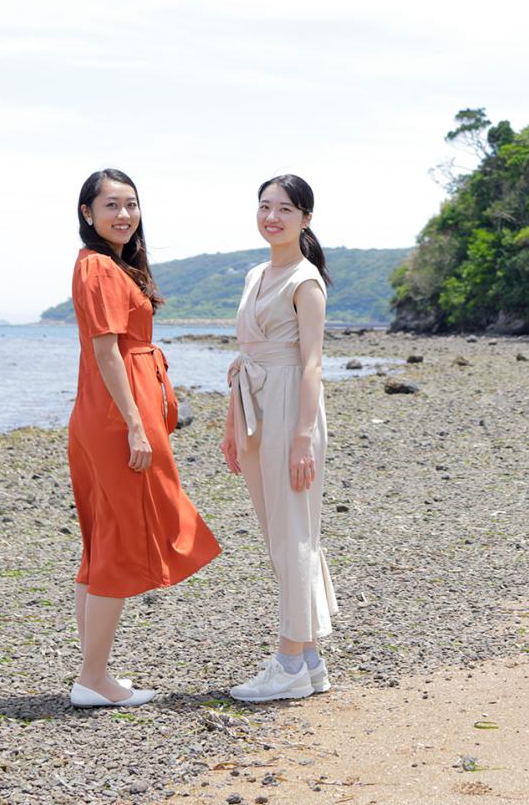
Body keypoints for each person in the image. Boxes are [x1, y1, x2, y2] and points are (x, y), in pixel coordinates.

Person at [65, 168, 220, 707]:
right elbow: (107, 351)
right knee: (118, 540)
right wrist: (135, 423)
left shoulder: (108, 265)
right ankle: (92, 679)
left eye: (130, 204)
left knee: (102, 540)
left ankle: (93, 672)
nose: (124, 214)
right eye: (111, 205)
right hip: (116, 414)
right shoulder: (99, 267)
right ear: (87, 213)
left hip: (106, 410)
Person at [222, 174, 339, 702]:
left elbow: (312, 364)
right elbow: (246, 355)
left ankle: (289, 662)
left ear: (305, 219)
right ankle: (308, 660)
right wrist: (232, 425)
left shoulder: (305, 281)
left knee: (294, 534)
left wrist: (302, 438)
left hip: (291, 406)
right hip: (255, 407)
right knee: (280, 535)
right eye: (265, 206)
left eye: (285, 209)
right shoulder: (255, 274)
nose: (272, 217)